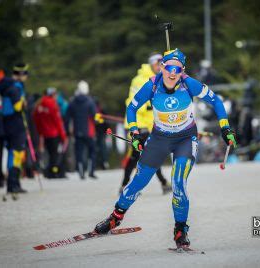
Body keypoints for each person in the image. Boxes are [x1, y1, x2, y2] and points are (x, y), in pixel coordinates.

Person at [94, 49, 237, 249]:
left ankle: (180, 230)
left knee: (178, 182)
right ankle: (115, 217)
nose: (172, 73)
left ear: (182, 71)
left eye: (177, 69)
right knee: (138, 181)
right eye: (168, 67)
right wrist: (134, 133)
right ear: (161, 67)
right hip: (159, 139)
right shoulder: (152, 85)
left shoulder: (189, 84)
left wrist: (225, 127)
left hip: (185, 139)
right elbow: (131, 108)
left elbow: (216, 101)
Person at [121, 52, 171, 195]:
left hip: (150, 124)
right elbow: (132, 102)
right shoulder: (140, 80)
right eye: (157, 64)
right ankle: (126, 185)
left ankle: (126, 185)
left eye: (162, 64)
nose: (160, 67)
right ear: (151, 64)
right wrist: (150, 105)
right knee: (139, 155)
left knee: (148, 155)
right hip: (138, 123)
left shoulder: (161, 79)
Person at [0, 63, 29, 194]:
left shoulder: (7, 87)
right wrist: (23, 102)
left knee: (12, 153)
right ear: (20, 75)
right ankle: (13, 183)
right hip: (16, 124)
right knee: (16, 153)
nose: (27, 77)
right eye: (26, 74)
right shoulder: (15, 88)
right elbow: (17, 106)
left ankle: (13, 183)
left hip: (8, 123)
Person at [33, 87, 68, 178]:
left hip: (44, 133)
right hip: (54, 133)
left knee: (48, 153)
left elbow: (36, 120)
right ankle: (52, 172)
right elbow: (58, 121)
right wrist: (63, 135)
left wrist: (40, 132)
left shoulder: (39, 105)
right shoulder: (52, 104)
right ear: (52, 95)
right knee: (55, 155)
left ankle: (49, 171)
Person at [66, 80, 97, 179]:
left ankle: (81, 172)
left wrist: (68, 129)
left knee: (79, 151)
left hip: (77, 131)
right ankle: (91, 171)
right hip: (89, 131)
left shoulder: (72, 102)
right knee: (92, 150)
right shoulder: (90, 101)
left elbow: (67, 117)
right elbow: (94, 116)